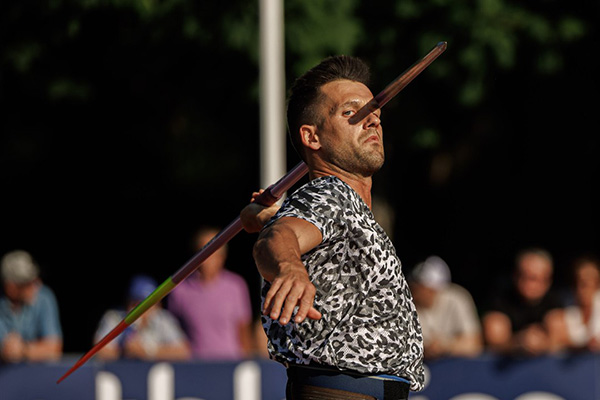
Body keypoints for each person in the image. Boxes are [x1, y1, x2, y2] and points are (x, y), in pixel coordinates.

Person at [241, 55, 424, 399]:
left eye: (376, 114)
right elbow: (279, 238)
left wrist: (266, 218)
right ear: (312, 137)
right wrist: (288, 266)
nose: (372, 121)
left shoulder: (346, 209)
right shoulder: (330, 194)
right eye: (351, 113)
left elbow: (283, 226)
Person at [167, 226, 253, 360]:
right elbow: (172, 333)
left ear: (222, 257)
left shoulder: (236, 286)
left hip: (230, 364)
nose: (206, 259)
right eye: (202, 253)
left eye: (212, 252)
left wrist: (246, 362)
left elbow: (243, 330)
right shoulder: (179, 290)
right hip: (195, 366)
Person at [482, 247, 563, 356]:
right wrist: (519, 342)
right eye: (523, 276)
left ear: (547, 280)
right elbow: (494, 341)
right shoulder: (500, 300)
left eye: (534, 278)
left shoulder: (554, 301)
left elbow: (561, 339)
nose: (528, 284)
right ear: (514, 276)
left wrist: (542, 343)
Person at [94, 274, 190, 361]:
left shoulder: (163, 319)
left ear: (157, 304)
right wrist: (124, 350)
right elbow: (99, 351)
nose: (142, 310)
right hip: (121, 375)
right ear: (128, 303)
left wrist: (147, 351)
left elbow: (183, 352)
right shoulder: (115, 318)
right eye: (136, 303)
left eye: (148, 304)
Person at [408, 255, 483, 360]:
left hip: (456, 367)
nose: (416, 292)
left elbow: (474, 344)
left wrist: (446, 346)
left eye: (422, 288)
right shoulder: (408, 305)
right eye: (415, 287)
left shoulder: (457, 299)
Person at [0, 249, 63, 363]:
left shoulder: (44, 297)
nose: (36, 285)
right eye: (27, 282)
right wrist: (5, 351)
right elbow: (7, 349)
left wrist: (24, 350)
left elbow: (54, 348)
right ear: (11, 287)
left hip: (35, 375)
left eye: (35, 279)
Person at [546, 254, 600, 353]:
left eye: (585, 283)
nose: (579, 289)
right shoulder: (561, 311)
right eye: (575, 283)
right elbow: (554, 348)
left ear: (597, 284)